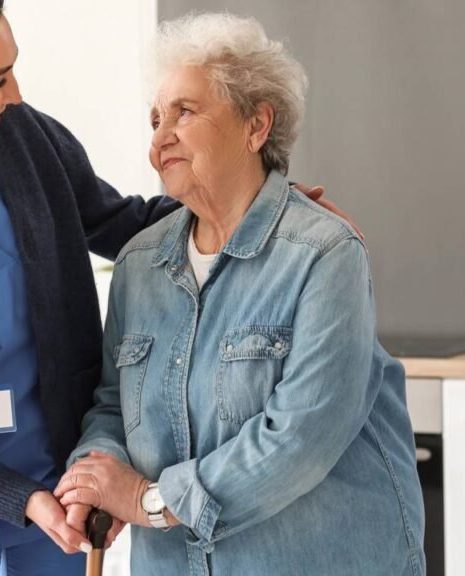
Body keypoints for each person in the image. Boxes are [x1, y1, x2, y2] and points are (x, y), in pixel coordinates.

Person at [0, 2, 350, 575]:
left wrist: (256, 208)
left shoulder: (20, 139)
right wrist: (15, 499)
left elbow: (120, 222)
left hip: (63, 500)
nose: (14, 95)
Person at [55, 12, 426, 576]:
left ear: (256, 127)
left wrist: (149, 501)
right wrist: (94, 469)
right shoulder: (138, 263)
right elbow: (112, 402)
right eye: (155, 118)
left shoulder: (324, 253)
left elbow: (300, 437)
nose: (160, 137)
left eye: (185, 111)